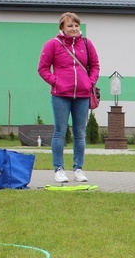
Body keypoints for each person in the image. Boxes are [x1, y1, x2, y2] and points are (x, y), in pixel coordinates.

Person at [38, 12, 100, 183]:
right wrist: (55, 81)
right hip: (60, 95)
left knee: (80, 133)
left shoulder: (86, 44)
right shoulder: (53, 44)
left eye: (76, 25)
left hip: (82, 95)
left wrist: (90, 82)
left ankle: (78, 169)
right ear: (62, 28)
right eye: (70, 26)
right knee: (60, 132)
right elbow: (43, 68)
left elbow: (95, 65)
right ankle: (59, 169)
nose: (74, 29)